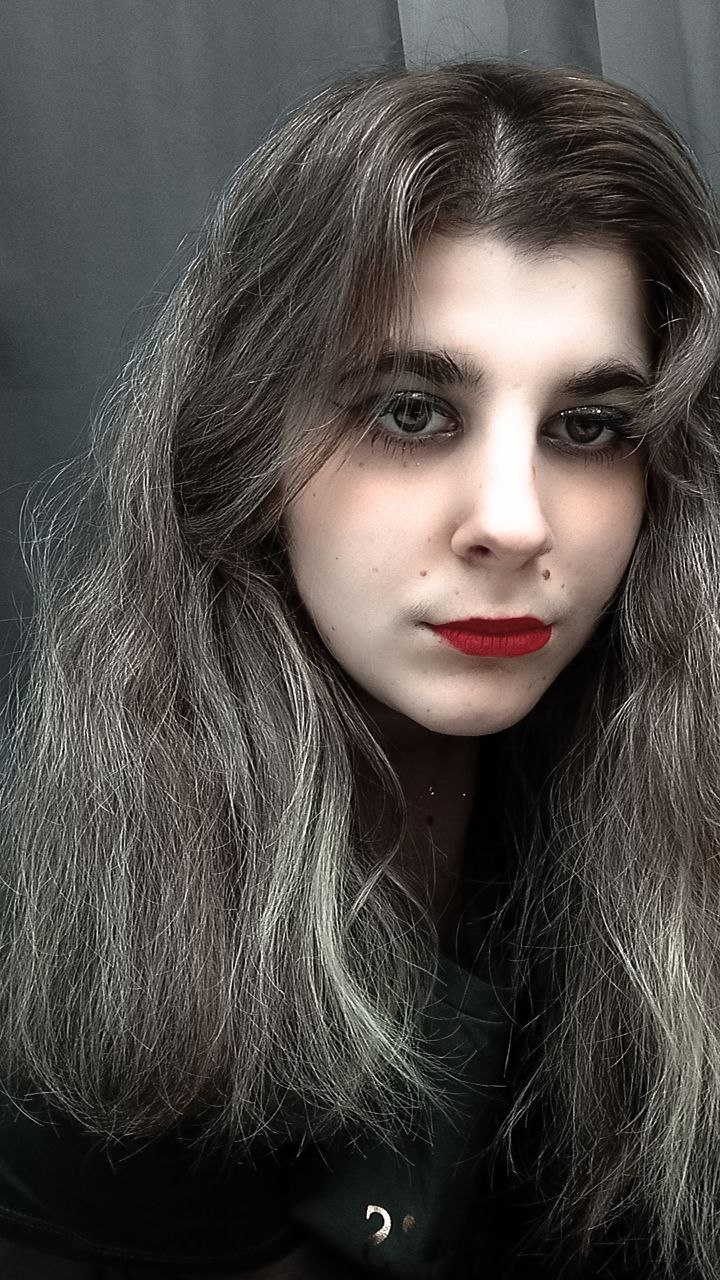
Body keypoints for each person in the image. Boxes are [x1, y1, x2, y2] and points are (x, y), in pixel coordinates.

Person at [0, 55, 717, 1280]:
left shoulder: (662, 777)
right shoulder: (110, 911)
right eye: (411, 412)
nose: (514, 522)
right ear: (245, 435)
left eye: (589, 427)